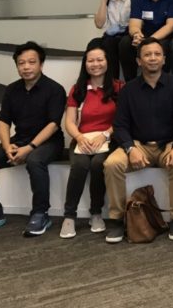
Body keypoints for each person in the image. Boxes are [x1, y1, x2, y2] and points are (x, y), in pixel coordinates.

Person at [0, 41, 65, 236]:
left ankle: (40, 213)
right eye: (21, 63)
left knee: (35, 160)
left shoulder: (55, 89)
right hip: (20, 139)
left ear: (41, 64)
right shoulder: (12, 89)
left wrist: (29, 148)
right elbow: (3, 122)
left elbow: (53, 125)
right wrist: (7, 147)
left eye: (31, 62)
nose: (26, 67)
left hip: (50, 142)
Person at [103, 38, 173, 243]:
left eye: (157, 54)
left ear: (164, 59)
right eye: (147, 55)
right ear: (139, 61)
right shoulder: (128, 90)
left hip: (168, 144)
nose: (152, 58)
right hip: (138, 145)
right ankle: (116, 220)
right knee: (111, 164)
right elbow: (120, 125)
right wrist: (130, 148)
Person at [60, 40, 124, 239]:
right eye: (90, 61)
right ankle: (69, 216)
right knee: (79, 165)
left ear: (107, 61)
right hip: (82, 140)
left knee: (98, 164)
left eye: (99, 60)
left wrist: (104, 135)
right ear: (85, 64)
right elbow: (69, 121)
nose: (95, 64)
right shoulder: (77, 89)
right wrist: (79, 137)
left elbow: (122, 120)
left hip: (108, 139)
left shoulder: (119, 87)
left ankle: (96, 212)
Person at [93, 0, 133, 74]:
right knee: (94, 43)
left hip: (129, 37)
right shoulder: (107, 0)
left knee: (120, 43)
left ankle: (128, 79)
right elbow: (99, 24)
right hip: (113, 38)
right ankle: (111, 81)